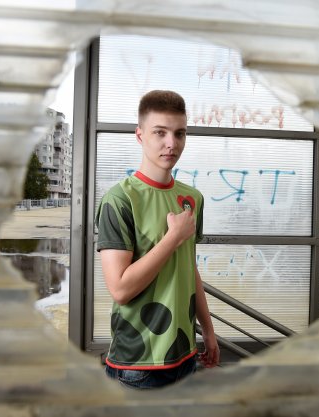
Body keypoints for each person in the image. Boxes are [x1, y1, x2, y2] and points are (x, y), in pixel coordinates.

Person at [95, 90, 220, 389]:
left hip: (185, 353)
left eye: (180, 133)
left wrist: (208, 329)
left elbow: (189, 268)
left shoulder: (192, 198)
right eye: (160, 132)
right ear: (140, 135)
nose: (171, 143)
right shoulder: (120, 199)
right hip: (138, 364)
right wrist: (173, 237)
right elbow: (120, 289)